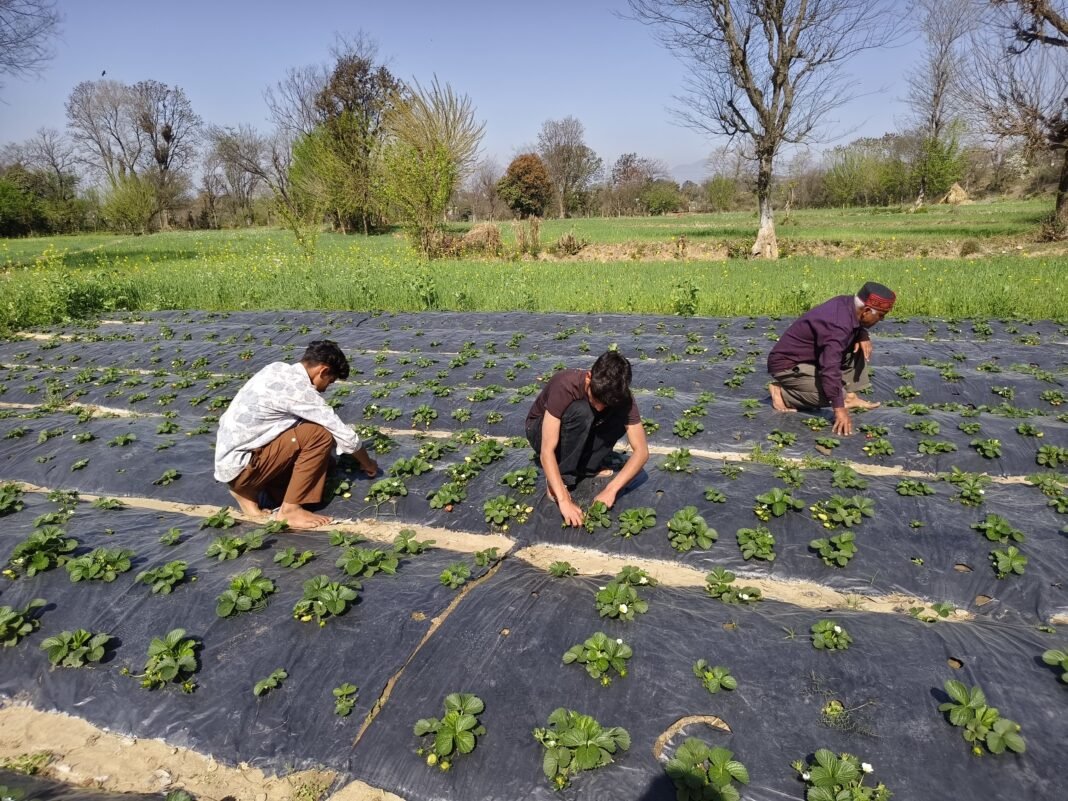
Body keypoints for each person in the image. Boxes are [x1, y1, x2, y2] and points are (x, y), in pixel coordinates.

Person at [213, 340, 378, 530]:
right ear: (323, 371)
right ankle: (290, 510)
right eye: (329, 381)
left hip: (232, 463)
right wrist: (368, 463)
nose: (325, 388)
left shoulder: (276, 369)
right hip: (245, 467)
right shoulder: (298, 389)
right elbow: (346, 437)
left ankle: (247, 493)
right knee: (319, 435)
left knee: (325, 459)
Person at [525, 350, 649, 528]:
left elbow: (642, 451)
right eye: (596, 399)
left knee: (615, 415)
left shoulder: (622, 397)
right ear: (589, 377)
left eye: (604, 403)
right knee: (583, 411)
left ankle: (585, 467)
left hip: (577, 429)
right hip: (538, 430)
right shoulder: (565, 385)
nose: (599, 408)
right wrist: (563, 499)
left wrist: (611, 490)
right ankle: (561, 478)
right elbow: (546, 450)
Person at [767, 282, 896, 436]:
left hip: (810, 358)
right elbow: (829, 369)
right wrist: (839, 410)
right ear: (866, 311)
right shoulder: (836, 327)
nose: (881, 320)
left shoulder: (848, 304)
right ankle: (782, 392)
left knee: (859, 344)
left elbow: (854, 325)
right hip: (787, 364)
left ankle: (850, 396)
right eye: (880, 315)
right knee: (832, 396)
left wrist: (862, 334)